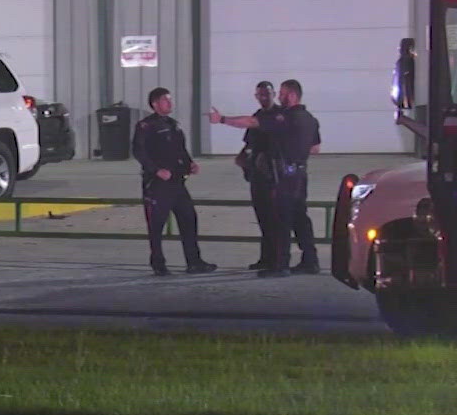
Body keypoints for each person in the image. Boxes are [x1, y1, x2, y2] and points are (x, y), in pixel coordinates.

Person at [211, 78, 321, 277]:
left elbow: (252, 122)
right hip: (299, 174)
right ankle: (310, 261)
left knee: (281, 220)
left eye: (282, 93)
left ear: (292, 95)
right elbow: (315, 148)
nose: (279, 97)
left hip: (283, 177)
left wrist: (222, 119)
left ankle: (280, 265)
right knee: (300, 219)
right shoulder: (310, 119)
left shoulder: (285, 118)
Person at [131, 88, 216, 276]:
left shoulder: (174, 125)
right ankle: (158, 263)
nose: (170, 103)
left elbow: (181, 150)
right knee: (157, 225)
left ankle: (194, 262)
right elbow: (139, 151)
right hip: (158, 184)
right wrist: (155, 170)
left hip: (177, 182)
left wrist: (190, 164)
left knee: (189, 219)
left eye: (170, 100)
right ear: (154, 104)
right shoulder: (146, 126)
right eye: (165, 100)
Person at [234, 80, 281, 270]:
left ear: (274, 94)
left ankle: (276, 260)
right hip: (257, 177)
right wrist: (242, 159)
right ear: (256, 96)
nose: (264, 98)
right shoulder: (256, 117)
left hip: (274, 177)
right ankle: (266, 258)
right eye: (260, 95)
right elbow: (249, 144)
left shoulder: (279, 116)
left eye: (267, 94)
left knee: (274, 219)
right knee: (263, 218)